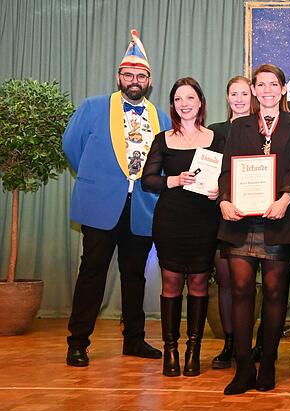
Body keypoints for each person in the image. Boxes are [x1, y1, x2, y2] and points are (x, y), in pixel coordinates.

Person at [62, 29, 170, 367]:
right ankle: (77, 342)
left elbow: (165, 162)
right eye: (128, 75)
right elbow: (72, 146)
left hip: (141, 208)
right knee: (92, 271)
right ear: (119, 76)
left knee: (135, 274)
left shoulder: (160, 117)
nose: (134, 81)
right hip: (101, 205)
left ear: (149, 81)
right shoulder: (93, 107)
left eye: (140, 76)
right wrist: (99, 178)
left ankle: (134, 340)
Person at [218, 64, 290, 394]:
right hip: (240, 221)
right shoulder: (240, 126)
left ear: (283, 89)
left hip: (278, 219)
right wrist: (224, 201)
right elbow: (227, 169)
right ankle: (243, 368)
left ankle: (267, 362)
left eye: (274, 84)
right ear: (254, 90)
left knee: (274, 295)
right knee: (241, 292)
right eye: (261, 84)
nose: (267, 89)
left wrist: (286, 198)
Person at [142, 77, 224, 377]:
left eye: (190, 98)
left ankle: (194, 350)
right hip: (171, 221)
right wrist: (173, 180)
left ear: (200, 102)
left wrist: (220, 192)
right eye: (178, 99)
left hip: (204, 221)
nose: (185, 104)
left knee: (200, 284)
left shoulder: (216, 139)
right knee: (172, 284)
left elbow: (227, 178)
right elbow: (147, 180)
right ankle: (171, 350)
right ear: (173, 105)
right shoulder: (163, 139)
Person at [207, 76, 256, 370]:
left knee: (249, 285)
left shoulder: (261, 130)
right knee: (226, 281)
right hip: (222, 213)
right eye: (233, 93)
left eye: (244, 93)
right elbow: (208, 171)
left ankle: (250, 344)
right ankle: (230, 344)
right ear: (226, 97)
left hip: (256, 215)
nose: (239, 99)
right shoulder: (215, 133)